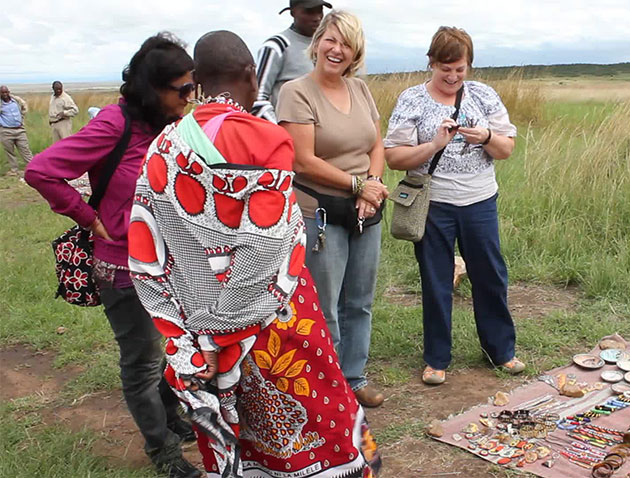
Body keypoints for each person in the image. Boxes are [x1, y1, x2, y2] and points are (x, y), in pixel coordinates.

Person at [128, 30, 381, 478]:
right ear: (250, 74)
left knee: (239, 423)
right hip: (276, 311)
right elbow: (273, 243)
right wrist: (232, 324)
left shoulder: (164, 148)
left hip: (200, 322)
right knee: (317, 405)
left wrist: (195, 335)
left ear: (198, 80)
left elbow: (150, 251)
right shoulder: (266, 139)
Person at [24, 33, 200, 478]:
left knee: (175, 349)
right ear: (153, 88)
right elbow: (40, 170)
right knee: (141, 361)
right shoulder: (113, 125)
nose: (190, 97)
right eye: (182, 90)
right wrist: (87, 216)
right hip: (122, 268)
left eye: (192, 87)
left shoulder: (167, 124)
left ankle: (171, 419)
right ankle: (162, 451)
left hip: (167, 263)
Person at [384, 27, 525, 386]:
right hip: (433, 205)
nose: (452, 77)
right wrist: (433, 144)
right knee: (435, 280)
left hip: (479, 201)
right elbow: (393, 157)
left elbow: (506, 149)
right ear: (431, 62)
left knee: (490, 274)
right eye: (445, 68)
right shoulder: (413, 99)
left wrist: (487, 137)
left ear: (469, 66)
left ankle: (501, 351)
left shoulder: (483, 96)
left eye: (460, 69)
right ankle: (436, 359)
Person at [278, 10, 388, 408]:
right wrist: (357, 184)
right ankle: (327, 387)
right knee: (325, 305)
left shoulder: (360, 90)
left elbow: (376, 145)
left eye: (346, 43)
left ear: (355, 52)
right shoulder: (296, 92)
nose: (336, 50)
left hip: (366, 208)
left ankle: (353, 377)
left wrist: (370, 186)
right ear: (318, 41)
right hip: (320, 212)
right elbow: (302, 160)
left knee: (360, 300)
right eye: (331, 39)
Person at [252, 0, 332, 122]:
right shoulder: (277, 46)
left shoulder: (327, 47)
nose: (317, 18)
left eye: (320, 10)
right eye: (309, 11)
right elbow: (257, 100)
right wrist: (282, 133)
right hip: (288, 134)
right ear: (293, 12)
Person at [0, 85, 33, 179]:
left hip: (19, 129)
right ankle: (14, 170)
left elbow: (24, 107)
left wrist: (22, 117)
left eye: (6, 92)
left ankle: (33, 167)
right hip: (6, 130)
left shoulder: (16, 101)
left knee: (25, 150)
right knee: (10, 151)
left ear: (9, 92)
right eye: (3, 93)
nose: (5, 94)